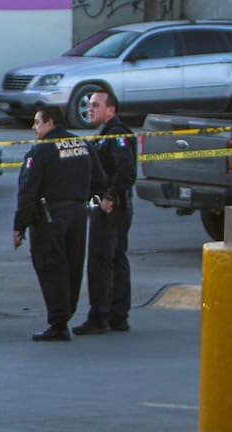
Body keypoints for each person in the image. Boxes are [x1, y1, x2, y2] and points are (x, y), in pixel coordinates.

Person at [14, 106, 105, 342]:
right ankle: (65, 314)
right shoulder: (84, 145)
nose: (34, 128)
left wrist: (19, 226)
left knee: (51, 266)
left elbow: (27, 190)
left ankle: (58, 322)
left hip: (49, 216)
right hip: (78, 213)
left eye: (37, 123)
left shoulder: (41, 150)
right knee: (73, 266)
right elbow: (100, 181)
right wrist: (88, 203)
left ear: (51, 123)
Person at [73, 89, 136, 335]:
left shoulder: (116, 135)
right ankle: (117, 315)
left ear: (111, 110)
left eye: (96, 105)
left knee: (102, 262)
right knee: (116, 260)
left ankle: (100, 317)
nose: (90, 109)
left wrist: (109, 197)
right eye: (89, 105)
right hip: (114, 206)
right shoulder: (106, 135)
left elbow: (126, 170)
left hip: (111, 208)